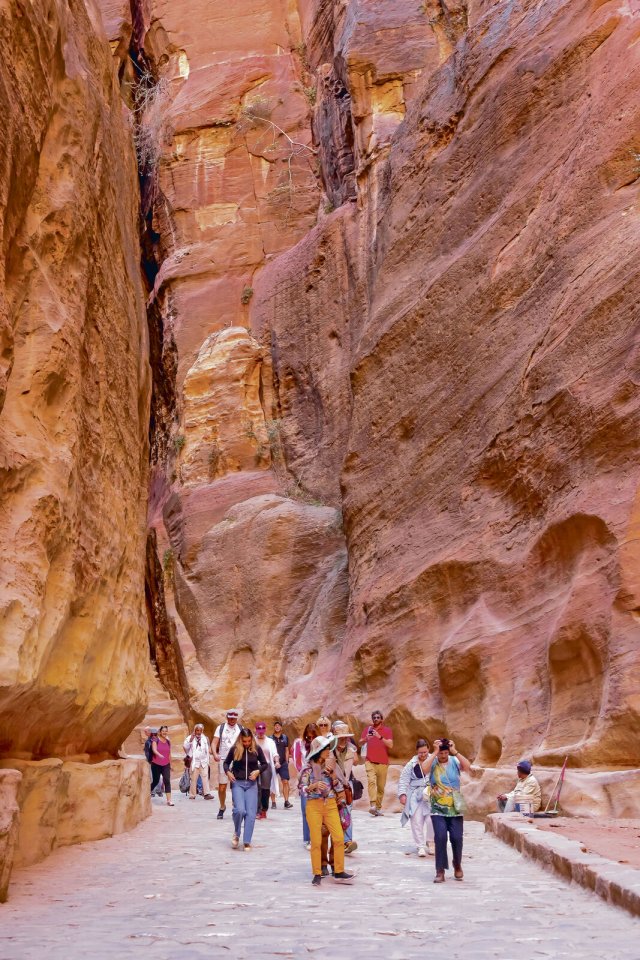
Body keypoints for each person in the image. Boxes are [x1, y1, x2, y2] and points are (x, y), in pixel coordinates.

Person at [299, 734, 355, 886]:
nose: (329, 751)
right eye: (326, 748)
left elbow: (337, 787)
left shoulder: (330, 766)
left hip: (330, 804)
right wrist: (313, 786)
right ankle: (317, 873)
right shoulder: (308, 769)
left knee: (338, 838)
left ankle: (338, 871)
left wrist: (334, 777)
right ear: (319, 750)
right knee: (316, 841)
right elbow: (301, 789)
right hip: (314, 805)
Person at [426, 737, 471, 882]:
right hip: (437, 808)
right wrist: (434, 752)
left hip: (455, 807)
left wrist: (454, 751)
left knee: (457, 838)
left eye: (445, 753)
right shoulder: (432, 761)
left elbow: (468, 766)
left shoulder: (454, 760)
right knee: (440, 838)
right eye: (441, 753)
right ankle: (440, 871)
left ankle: (457, 864)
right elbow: (423, 769)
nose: (443, 756)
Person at [224, 727, 268, 850]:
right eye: (244, 741)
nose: (247, 743)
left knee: (250, 813)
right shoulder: (234, 749)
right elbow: (226, 763)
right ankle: (237, 833)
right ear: (240, 740)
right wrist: (228, 772)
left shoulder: (256, 749)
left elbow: (265, 764)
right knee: (240, 810)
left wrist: (257, 771)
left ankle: (247, 841)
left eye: (249, 741)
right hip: (237, 783)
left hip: (252, 785)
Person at [398, 738, 435, 856]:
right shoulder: (411, 764)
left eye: (425, 752)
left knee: (432, 819)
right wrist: (402, 794)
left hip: (431, 793)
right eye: (420, 753)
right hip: (415, 794)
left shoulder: (434, 760)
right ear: (416, 752)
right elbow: (404, 779)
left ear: (428, 749)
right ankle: (420, 846)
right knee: (416, 820)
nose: (423, 755)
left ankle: (431, 842)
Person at [359, 710, 393, 816]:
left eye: (378, 717)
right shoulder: (367, 729)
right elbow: (360, 743)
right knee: (371, 781)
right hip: (370, 761)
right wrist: (366, 738)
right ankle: (373, 805)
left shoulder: (387, 730)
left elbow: (390, 745)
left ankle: (377, 808)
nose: (376, 719)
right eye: (374, 717)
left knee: (381, 787)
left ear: (381, 719)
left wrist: (380, 737)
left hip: (383, 763)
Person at [332, 721, 358, 855]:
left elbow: (356, 762)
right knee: (334, 815)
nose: (343, 740)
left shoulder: (351, 750)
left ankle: (347, 841)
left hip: (346, 786)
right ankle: (337, 841)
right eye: (340, 738)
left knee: (346, 812)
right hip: (333, 787)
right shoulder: (329, 751)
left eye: (345, 737)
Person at [212, 709, 242, 820]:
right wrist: (215, 753)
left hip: (237, 760)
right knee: (222, 787)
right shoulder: (220, 728)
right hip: (224, 759)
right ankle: (222, 806)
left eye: (234, 718)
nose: (232, 720)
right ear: (227, 717)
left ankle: (236, 807)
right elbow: (214, 742)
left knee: (236, 785)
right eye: (230, 718)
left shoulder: (240, 728)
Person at [293, 723, 318, 847]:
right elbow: (296, 759)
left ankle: (316, 837)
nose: (311, 739)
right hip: (305, 778)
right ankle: (308, 838)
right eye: (309, 737)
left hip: (317, 777)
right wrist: (303, 772)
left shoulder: (320, 744)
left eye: (313, 736)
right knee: (305, 808)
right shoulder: (299, 743)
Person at [255, 722, 279, 818]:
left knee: (265, 788)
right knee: (257, 788)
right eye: (259, 731)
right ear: (256, 730)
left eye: (262, 731)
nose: (260, 733)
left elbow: (274, 753)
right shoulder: (252, 740)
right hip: (255, 765)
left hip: (267, 766)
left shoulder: (270, 741)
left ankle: (264, 808)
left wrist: (277, 762)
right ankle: (257, 810)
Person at [183, 723, 214, 800]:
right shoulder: (190, 737)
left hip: (203, 761)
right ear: (195, 730)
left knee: (205, 777)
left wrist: (208, 760)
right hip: (194, 761)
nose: (198, 732)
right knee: (193, 779)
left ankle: (207, 794)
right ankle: (192, 794)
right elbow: (185, 747)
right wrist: (191, 740)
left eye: (200, 730)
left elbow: (208, 749)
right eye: (197, 730)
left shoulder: (205, 738)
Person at [150, 725, 174, 806]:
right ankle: (147, 793)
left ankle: (169, 800)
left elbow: (169, 753)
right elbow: (154, 749)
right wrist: (159, 755)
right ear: (160, 732)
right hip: (156, 764)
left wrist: (171, 764)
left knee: (167, 780)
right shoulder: (155, 740)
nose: (165, 732)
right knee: (156, 780)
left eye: (166, 731)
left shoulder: (168, 741)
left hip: (166, 764)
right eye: (163, 731)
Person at [272, 720, 292, 809]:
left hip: (283, 763)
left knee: (285, 781)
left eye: (279, 726)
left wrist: (287, 761)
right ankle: (273, 802)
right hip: (273, 763)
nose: (277, 727)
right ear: (274, 727)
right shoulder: (270, 738)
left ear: (281, 728)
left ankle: (286, 801)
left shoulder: (285, 738)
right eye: (275, 726)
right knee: (272, 781)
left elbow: (287, 750)